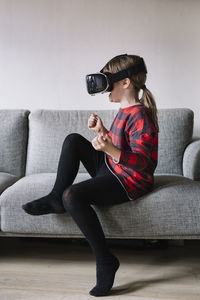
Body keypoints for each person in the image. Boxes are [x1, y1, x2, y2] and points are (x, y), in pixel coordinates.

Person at [22, 54, 159, 297]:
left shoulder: (140, 115)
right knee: (73, 140)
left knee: (73, 195)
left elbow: (144, 164)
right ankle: (55, 198)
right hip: (115, 168)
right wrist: (102, 132)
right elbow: (120, 145)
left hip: (129, 181)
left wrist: (110, 150)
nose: (104, 87)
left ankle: (106, 260)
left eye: (108, 81)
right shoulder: (124, 110)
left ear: (125, 82)